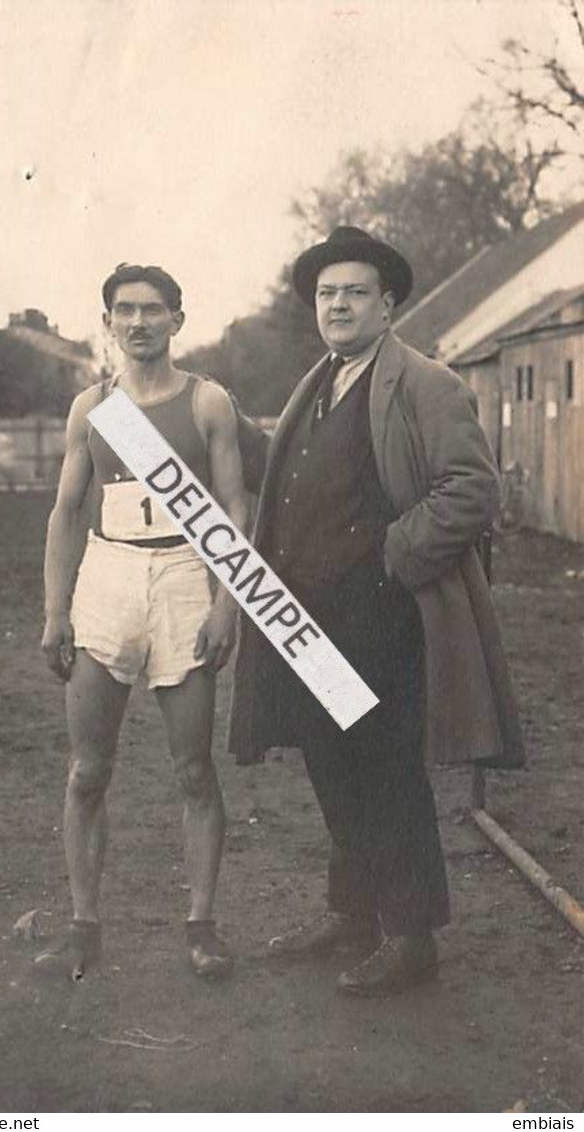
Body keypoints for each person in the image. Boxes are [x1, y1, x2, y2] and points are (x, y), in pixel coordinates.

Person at [229, 226, 524, 996]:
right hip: (312, 618)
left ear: (387, 304)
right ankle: (353, 914)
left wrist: (393, 556)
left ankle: (411, 937)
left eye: (355, 291)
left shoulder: (423, 382)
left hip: (385, 616)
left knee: (385, 769)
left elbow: (471, 489)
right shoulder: (316, 383)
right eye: (327, 294)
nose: (338, 304)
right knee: (333, 761)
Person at [38, 263, 249, 981]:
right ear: (108, 323)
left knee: (194, 768)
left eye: (153, 309)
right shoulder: (91, 408)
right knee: (88, 769)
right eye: (124, 310)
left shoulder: (209, 402)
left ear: (177, 320)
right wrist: (53, 611)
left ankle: (201, 925)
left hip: (187, 577)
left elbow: (231, 508)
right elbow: (66, 512)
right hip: (108, 577)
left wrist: (228, 603)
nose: (138, 322)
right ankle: (83, 927)